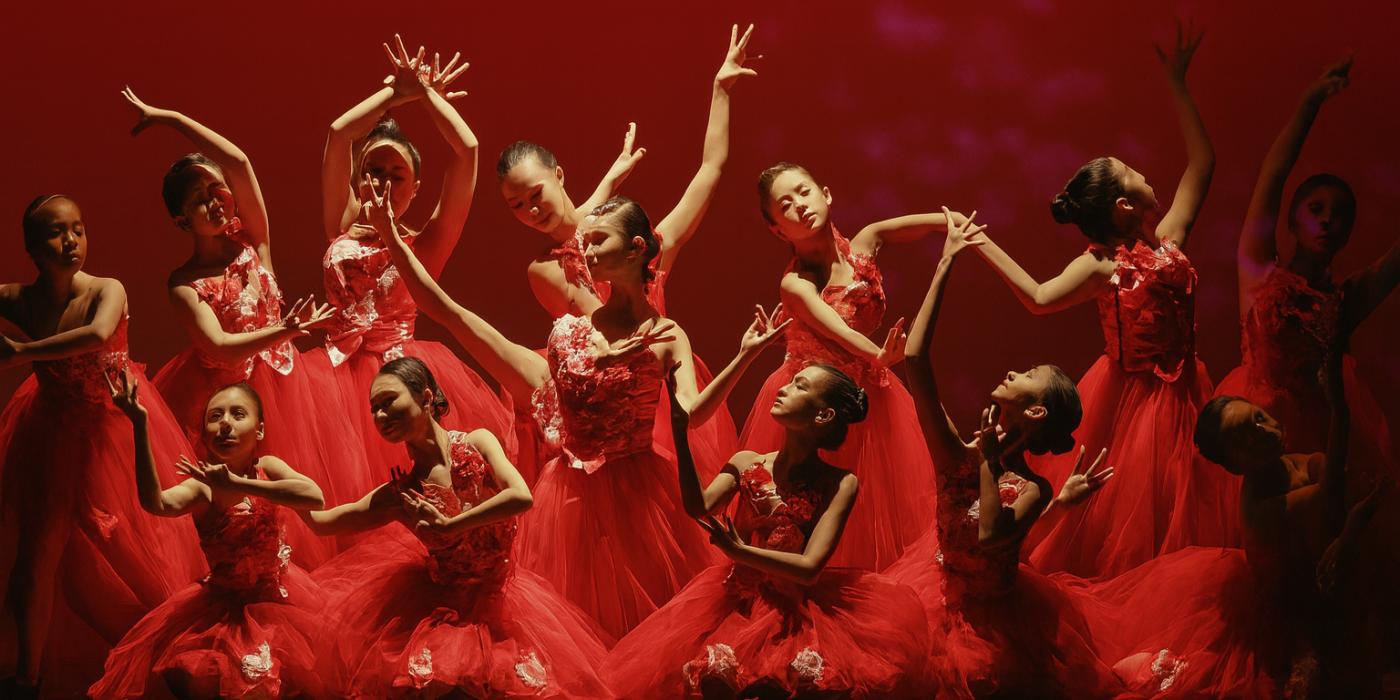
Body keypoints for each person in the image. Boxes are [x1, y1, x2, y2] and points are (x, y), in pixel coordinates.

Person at [368, 178, 787, 639]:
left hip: (641, 495)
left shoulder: (666, 333)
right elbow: (447, 311)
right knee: (572, 627)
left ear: (636, 248)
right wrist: (391, 238)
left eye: (597, 241)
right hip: (567, 497)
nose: (584, 252)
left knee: (647, 624)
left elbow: (693, 413)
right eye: (584, 242)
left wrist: (745, 356)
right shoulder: (569, 330)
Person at [959, 22, 1227, 578]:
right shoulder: (1100, 264)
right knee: (1129, 519)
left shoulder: (1167, 241)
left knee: (1189, 509)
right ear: (1123, 208)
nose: (1146, 174)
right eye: (1134, 175)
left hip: (1186, 394)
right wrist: (979, 240)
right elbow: (1037, 297)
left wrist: (1178, 82)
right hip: (1134, 403)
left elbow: (1203, 164)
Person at [495, 24, 759, 484]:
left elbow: (709, 171)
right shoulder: (548, 269)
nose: (531, 209)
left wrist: (720, 91)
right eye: (516, 206)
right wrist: (608, 184)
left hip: (664, 388)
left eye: (536, 193)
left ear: (558, 175)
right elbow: (606, 321)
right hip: (609, 401)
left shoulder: (642, 246)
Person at [887, 211, 1125, 698]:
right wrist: (946, 261)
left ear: (1036, 413)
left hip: (999, 628)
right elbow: (914, 359)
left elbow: (993, 534)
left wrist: (991, 467)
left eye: (1027, 374)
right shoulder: (957, 455)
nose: (1014, 371)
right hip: (941, 602)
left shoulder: (1035, 487)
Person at [122, 88, 360, 569]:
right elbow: (221, 347)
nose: (215, 202)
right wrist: (286, 330)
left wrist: (171, 115)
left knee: (298, 499)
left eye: (217, 191)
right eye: (199, 200)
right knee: (235, 514)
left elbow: (239, 160)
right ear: (179, 218)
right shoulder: (184, 284)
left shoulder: (252, 238)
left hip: (288, 391)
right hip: (229, 399)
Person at [601, 365, 933, 698]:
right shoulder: (747, 462)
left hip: (794, 614)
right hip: (734, 607)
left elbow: (810, 568)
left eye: (800, 386)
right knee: (715, 678)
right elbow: (699, 507)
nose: (784, 388)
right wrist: (680, 433)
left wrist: (740, 552)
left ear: (823, 415)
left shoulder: (840, 482)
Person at [305, 358, 612, 699]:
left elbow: (521, 496)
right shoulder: (402, 492)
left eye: (389, 401)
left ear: (424, 397)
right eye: (375, 408)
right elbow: (322, 523)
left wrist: (451, 525)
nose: (380, 415)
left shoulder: (477, 443)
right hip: (442, 620)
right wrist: (271, 483)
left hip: (503, 609)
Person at [0, 195, 203, 698]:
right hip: (51, 429)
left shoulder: (106, 289)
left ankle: (184, 658)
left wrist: (22, 351)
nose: (71, 241)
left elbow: (98, 334)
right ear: (31, 246)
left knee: (142, 550)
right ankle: (26, 676)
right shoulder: (20, 299)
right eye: (56, 232)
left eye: (78, 228)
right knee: (36, 555)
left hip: (116, 426)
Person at [315, 36, 516, 476]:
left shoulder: (426, 244)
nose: (384, 181)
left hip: (402, 374)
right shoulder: (342, 221)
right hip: (331, 379)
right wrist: (396, 91)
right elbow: (338, 133)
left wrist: (425, 96)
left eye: (397, 173)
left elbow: (468, 151)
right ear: (357, 176)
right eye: (373, 170)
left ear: (416, 188)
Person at [741, 160, 956, 572]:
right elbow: (841, 332)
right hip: (812, 403)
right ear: (776, 229)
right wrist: (878, 355)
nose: (800, 205)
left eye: (804, 192)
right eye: (785, 205)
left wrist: (959, 230)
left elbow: (941, 222)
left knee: (879, 511)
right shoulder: (796, 283)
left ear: (826, 193)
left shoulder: (866, 243)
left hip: (868, 391)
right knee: (809, 513)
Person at [90, 379, 327, 700]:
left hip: (281, 600)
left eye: (237, 414)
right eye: (215, 417)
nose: (225, 423)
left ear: (259, 430)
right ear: (204, 435)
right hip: (226, 615)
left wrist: (240, 485)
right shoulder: (203, 487)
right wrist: (140, 423)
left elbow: (314, 497)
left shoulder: (269, 468)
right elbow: (156, 503)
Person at [1224, 52, 1398, 489]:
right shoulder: (1258, 270)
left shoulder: (1346, 297)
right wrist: (1309, 103)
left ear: (1348, 230)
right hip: (1255, 429)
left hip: (1321, 438)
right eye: (1315, 209)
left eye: (1338, 214)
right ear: (1292, 220)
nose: (1325, 220)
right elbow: (1273, 175)